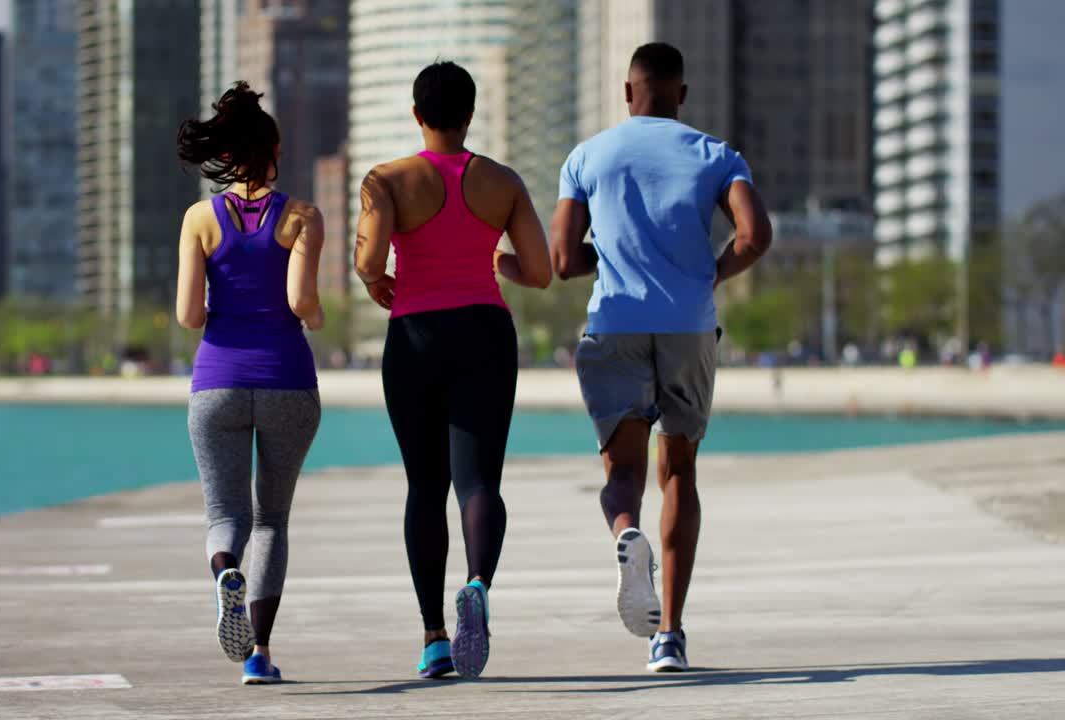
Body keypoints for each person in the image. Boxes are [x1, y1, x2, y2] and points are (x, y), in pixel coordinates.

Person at [551, 43, 772, 672]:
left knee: (623, 477)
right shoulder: (715, 154)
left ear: (628, 93)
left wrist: (620, 256)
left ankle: (626, 532)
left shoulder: (587, 157)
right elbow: (755, 236)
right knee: (678, 474)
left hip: (615, 323)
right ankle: (669, 635)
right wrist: (706, 274)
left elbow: (564, 260)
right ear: (681, 94)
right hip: (688, 328)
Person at [354, 61, 552, 680]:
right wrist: (498, 260)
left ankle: (435, 637)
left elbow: (366, 257)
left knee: (424, 487)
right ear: (470, 115)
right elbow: (541, 271)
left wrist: (375, 278)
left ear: (417, 114)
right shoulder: (504, 182)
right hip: (485, 333)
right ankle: (477, 584)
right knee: (478, 484)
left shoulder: (386, 180)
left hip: (414, 337)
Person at [175, 82, 326, 685]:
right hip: (288, 378)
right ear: (276, 149)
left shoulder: (197, 219)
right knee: (273, 520)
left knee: (227, 512)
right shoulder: (302, 217)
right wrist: (312, 317)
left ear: (229, 154)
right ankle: (259, 655)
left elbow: (189, 315)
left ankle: (223, 572)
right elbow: (300, 302)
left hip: (217, 382)